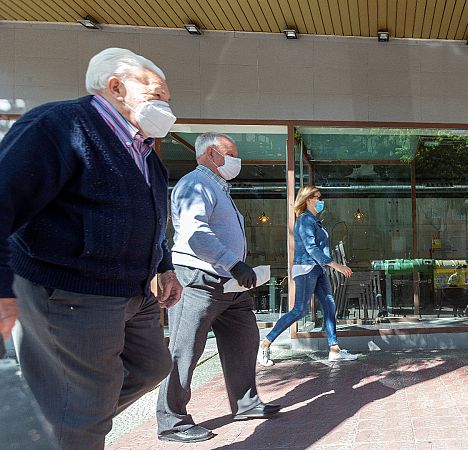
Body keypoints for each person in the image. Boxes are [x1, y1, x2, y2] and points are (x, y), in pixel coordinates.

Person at [0, 48, 181, 449]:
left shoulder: (146, 152)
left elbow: (150, 215)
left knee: (152, 367)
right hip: (72, 294)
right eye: (157, 94)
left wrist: (164, 266)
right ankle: (73, 422)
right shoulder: (58, 126)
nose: (166, 105)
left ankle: (67, 418)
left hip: (133, 292)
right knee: (81, 411)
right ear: (116, 87)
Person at [156, 132, 280, 443]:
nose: (238, 160)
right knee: (184, 351)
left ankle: (246, 403)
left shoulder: (218, 188)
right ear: (212, 153)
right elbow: (195, 233)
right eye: (232, 153)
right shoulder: (195, 184)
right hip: (199, 279)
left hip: (229, 284)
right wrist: (233, 262)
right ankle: (172, 421)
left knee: (245, 338)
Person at [257, 185, 357, 365]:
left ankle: (334, 349)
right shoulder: (304, 220)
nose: (321, 201)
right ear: (308, 199)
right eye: (317, 197)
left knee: (329, 305)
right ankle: (265, 343)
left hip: (317, 269)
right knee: (299, 310)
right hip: (306, 269)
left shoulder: (314, 221)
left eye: (320, 197)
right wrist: (336, 265)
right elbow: (311, 248)